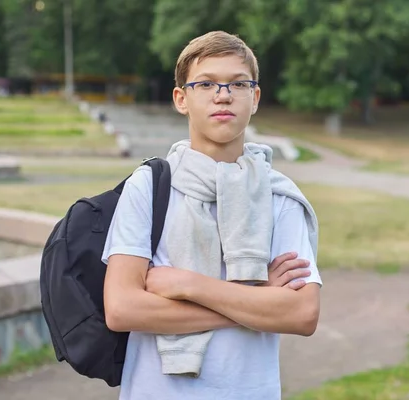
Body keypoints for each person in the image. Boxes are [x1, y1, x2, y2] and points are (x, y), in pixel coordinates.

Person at [101, 30, 322, 400]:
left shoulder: (279, 195)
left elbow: (301, 314)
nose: (223, 95)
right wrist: (256, 300)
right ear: (181, 99)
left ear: (254, 98)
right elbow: (122, 309)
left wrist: (189, 286)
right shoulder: (149, 186)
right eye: (206, 83)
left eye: (238, 83)